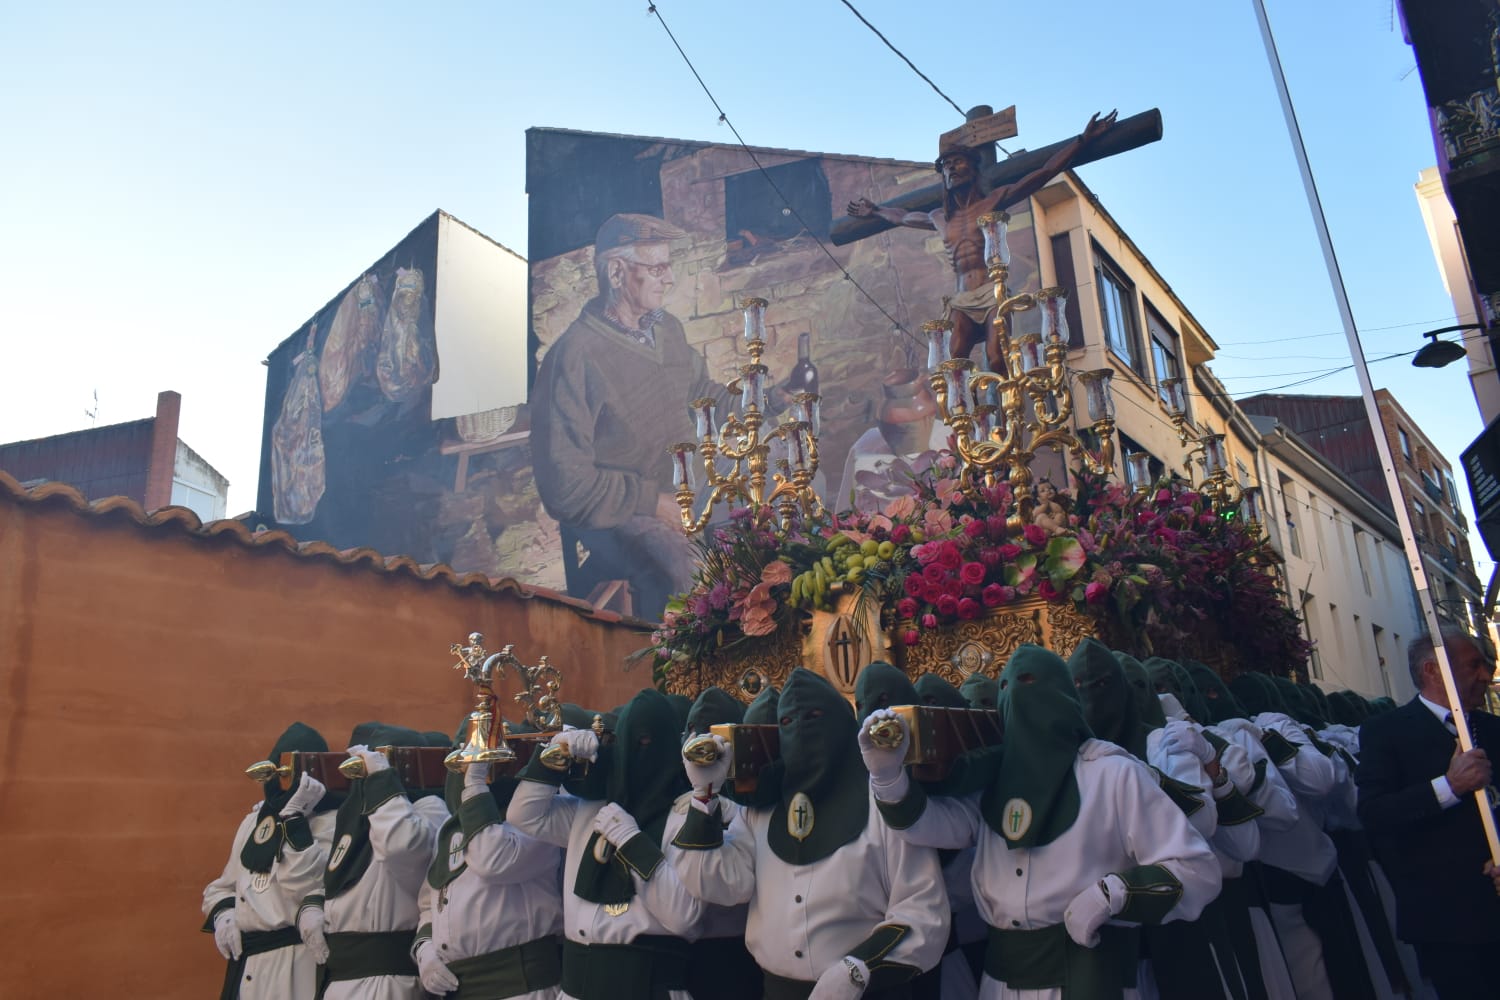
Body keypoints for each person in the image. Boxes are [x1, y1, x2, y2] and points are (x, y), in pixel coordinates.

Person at [861, 643, 1221, 999]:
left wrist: (1117, 893)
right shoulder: (995, 781)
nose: (1016, 697)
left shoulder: (1112, 774)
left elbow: (1196, 869)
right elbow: (927, 826)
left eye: (1031, 682)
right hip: (1000, 984)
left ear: (1063, 697)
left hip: (1091, 976)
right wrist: (888, 777)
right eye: (1006, 687)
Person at [671, 667, 949, 998]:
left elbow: (922, 910)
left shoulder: (882, 805)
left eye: (817, 717)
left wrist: (860, 968)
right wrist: (704, 795)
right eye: (788, 723)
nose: (802, 731)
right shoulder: (762, 811)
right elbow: (718, 884)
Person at [530, 213, 724, 619]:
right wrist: (652, 502)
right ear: (616, 273)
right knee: (687, 567)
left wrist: (763, 400)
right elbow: (566, 488)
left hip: (686, 485)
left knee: (769, 504)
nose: (669, 279)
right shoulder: (573, 358)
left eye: (668, 266)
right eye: (656, 268)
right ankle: (682, 674)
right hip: (623, 510)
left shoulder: (666, 328)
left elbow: (700, 391)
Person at [847, 112, 1117, 370]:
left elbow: (1044, 172)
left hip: (992, 293)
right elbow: (902, 216)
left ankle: (1011, 409)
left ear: (973, 169)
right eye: (946, 165)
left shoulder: (993, 201)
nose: (951, 168)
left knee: (997, 357)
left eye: (957, 162)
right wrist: (876, 211)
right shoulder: (939, 217)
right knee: (954, 362)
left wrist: (1082, 140)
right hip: (962, 298)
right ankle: (969, 417)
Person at [508, 688, 707, 999]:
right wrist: (554, 754)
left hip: (645, 986)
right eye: (632, 741)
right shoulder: (590, 809)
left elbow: (684, 917)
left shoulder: (683, 816)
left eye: (649, 742)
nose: (640, 752)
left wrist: (631, 842)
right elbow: (525, 815)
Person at [1356, 626, 1500, 999]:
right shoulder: (1385, 733)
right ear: (1432, 671)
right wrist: (1447, 788)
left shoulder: (1495, 730)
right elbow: (1374, 813)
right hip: (1445, 921)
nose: (1486, 676)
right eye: (1474, 666)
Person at [413, 728, 565, 1000]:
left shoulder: (538, 822)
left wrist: (474, 788)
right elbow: (430, 902)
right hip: (462, 988)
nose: (465, 770)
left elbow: (494, 860)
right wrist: (425, 949)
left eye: (477, 762)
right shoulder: (452, 830)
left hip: (519, 987)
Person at [301, 723, 450, 1000]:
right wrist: (317, 902)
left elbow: (401, 848)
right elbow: (349, 883)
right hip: (342, 979)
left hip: (388, 983)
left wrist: (383, 782)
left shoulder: (428, 808)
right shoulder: (355, 817)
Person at [203, 723, 338, 1000]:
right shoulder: (254, 822)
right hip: (248, 964)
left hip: (296, 962)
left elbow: (313, 885)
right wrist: (225, 915)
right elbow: (223, 886)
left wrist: (296, 820)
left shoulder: (331, 821)